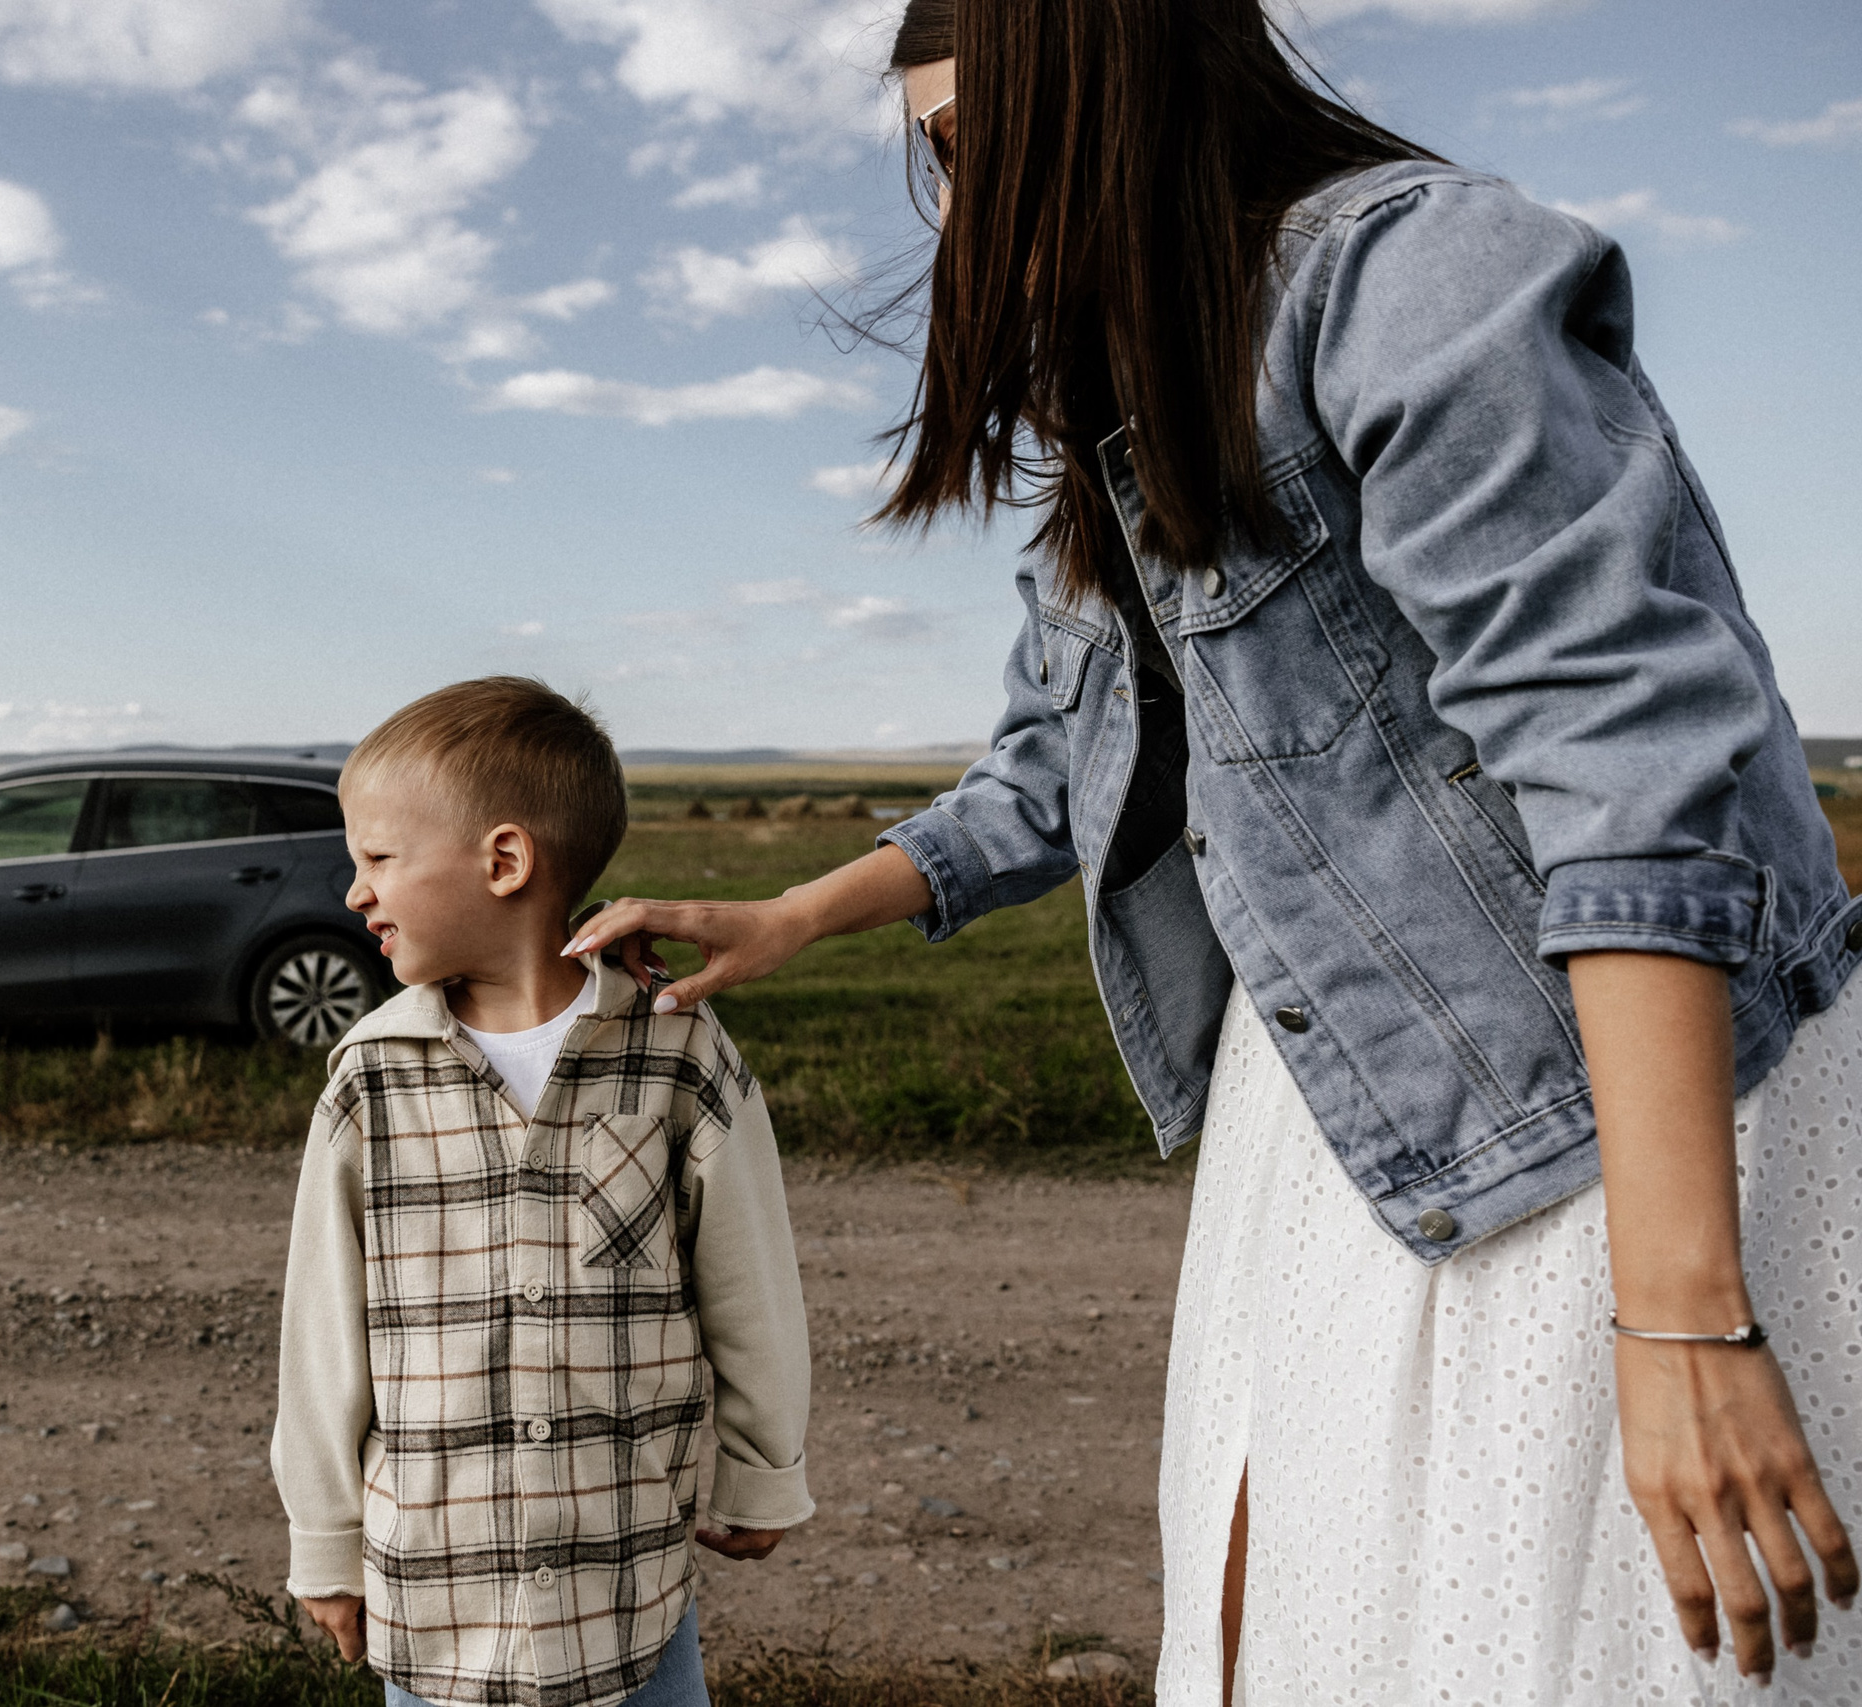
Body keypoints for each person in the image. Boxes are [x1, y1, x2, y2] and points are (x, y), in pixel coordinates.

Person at [568, 2, 1862, 1702]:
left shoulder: (1414, 272)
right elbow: (1059, 765)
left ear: (1107, 84)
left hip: (1612, 1094)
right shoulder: (1128, 397)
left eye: (967, 147)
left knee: (1578, 1647)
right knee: (1302, 1632)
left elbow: (1629, 771)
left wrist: (1688, 1308)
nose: (955, 211)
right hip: (1326, 1105)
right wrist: (799, 910)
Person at [271, 676, 813, 1707]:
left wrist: (762, 1466)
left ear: (505, 861)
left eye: (378, 860)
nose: (356, 893)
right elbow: (322, 1333)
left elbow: (751, 1279)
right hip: (435, 1599)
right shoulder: (371, 1078)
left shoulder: (675, 1050)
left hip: (629, 1588)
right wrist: (327, 1540)